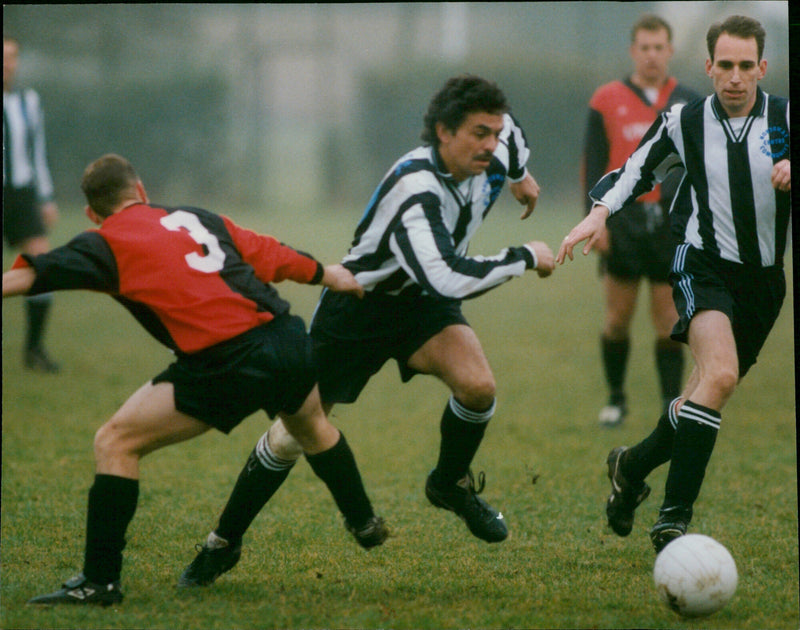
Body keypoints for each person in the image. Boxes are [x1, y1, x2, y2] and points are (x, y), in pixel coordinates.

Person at [179, 74, 556, 586]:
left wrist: (520, 173)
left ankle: (448, 485)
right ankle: (223, 543)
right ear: (443, 134)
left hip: (421, 306)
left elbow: (513, 141)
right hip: (359, 308)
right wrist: (524, 256)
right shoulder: (415, 192)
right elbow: (445, 277)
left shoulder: (501, 139)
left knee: (478, 386)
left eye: (494, 132)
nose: (490, 144)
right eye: (477, 134)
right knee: (296, 432)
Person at [2, 154, 388, 606]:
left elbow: (32, 274)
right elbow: (267, 252)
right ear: (141, 190)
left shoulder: (103, 242)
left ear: (92, 212)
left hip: (225, 362)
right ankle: (363, 520)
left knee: (115, 442)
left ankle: (99, 581)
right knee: (310, 424)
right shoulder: (193, 216)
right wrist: (328, 274)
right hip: (285, 338)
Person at [557, 15, 790, 552]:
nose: (735, 77)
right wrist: (597, 215)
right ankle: (672, 521)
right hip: (700, 264)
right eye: (724, 65)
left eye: (746, 66)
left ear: (762, 67)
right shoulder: (685, 120)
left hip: (764, 283)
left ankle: (630, 467)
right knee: (721, 375)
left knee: (701, 395)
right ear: (708, 67)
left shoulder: (782, 118)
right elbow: (634, 169)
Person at [583, 15, 700, 427]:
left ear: (670, 50)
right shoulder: (606, 98)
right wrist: (595, 220)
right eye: (644, 47)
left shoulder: (689, 101)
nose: (652, 55)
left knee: (668, 322)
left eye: (659, 47)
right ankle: (616, 398)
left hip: (670, 223)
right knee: (617, 320)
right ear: (633, 51)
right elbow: (593, 163)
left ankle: (671, 405)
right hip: (623, 221)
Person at [3, 35, 60, 372]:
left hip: (22, 195)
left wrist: (46, 197)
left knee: (41, 264)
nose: (7, 62)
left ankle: (34, 349)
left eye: (12, 56)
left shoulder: (28, 100)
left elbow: (37, 153)